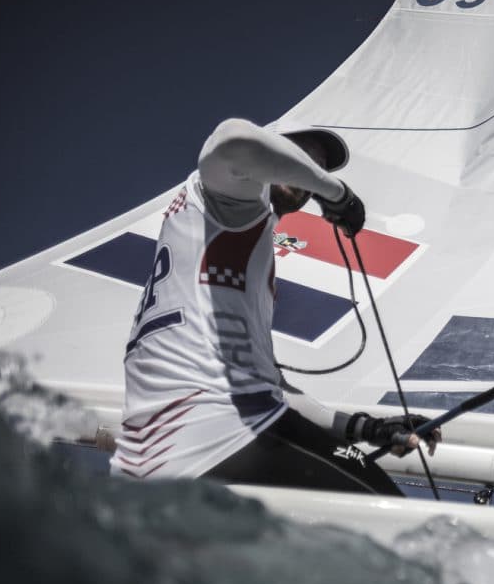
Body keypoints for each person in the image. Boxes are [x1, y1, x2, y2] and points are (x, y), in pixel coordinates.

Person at [110, 117, 439, 494]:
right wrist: (336, 192)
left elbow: (274, 387)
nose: (311, 173)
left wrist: (368, 428)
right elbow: (236, 139)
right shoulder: (224, 200)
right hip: (228, 429)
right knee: (400, 515)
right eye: (302, 158)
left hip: (149, 467)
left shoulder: (242, 254)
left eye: (318, 167)